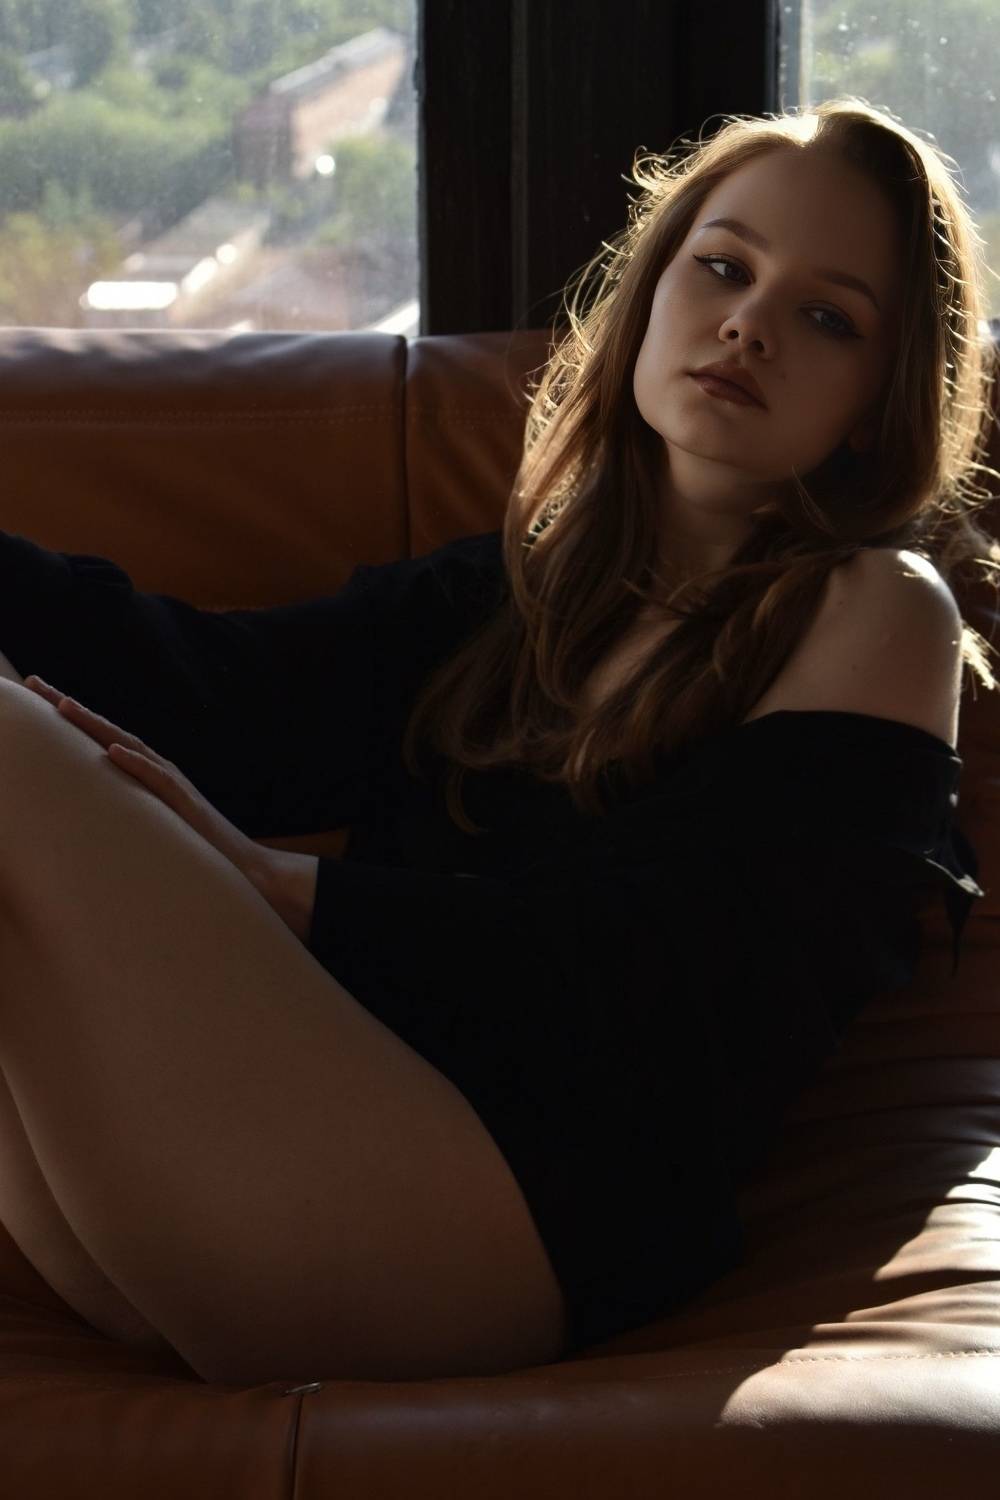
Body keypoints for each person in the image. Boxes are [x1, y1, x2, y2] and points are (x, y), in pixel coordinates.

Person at [0, 96, 995, 1387]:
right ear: (649, 295)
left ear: (876, 400)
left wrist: (287, 892)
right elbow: (208, 696)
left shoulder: (876, 610)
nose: (749, 323)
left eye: (828, 318)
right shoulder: (518, 591)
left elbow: (655, 970)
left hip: (515, 1235)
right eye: (723, 267)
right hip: (235, 1209)